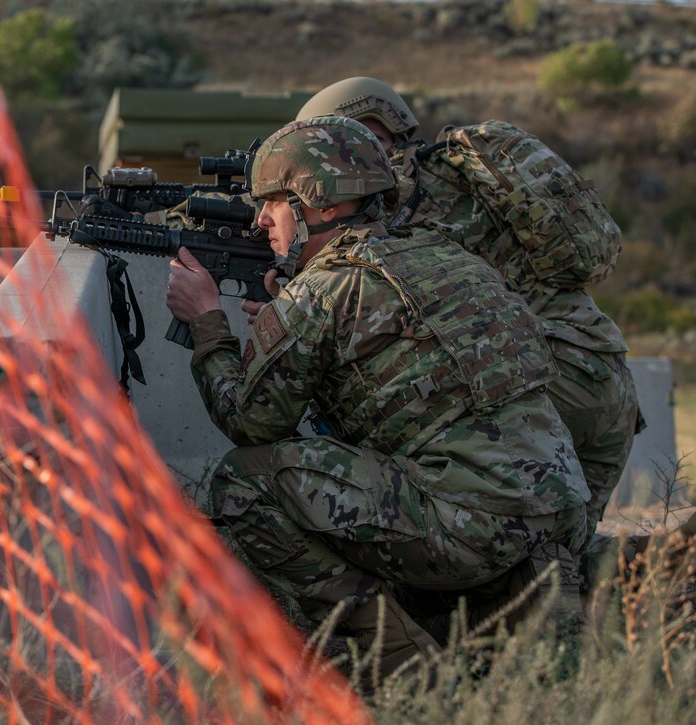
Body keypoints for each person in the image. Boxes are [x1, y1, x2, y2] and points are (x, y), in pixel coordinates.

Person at [165, 116, 590, 677]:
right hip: (559, 518)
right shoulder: (450, 258)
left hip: (469, 530)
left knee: (244, 481)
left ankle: (409, 673)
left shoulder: (325, 288)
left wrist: (208, 324)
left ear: (320, 205)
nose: (260, 218)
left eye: (273, 202)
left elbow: (250, 421)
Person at [295, 78, 644, 579]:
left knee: (513, 564)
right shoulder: (464, 180)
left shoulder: (381, 203)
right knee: (558, 557)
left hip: (536, 389)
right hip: (603, 378)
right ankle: (682, 561)